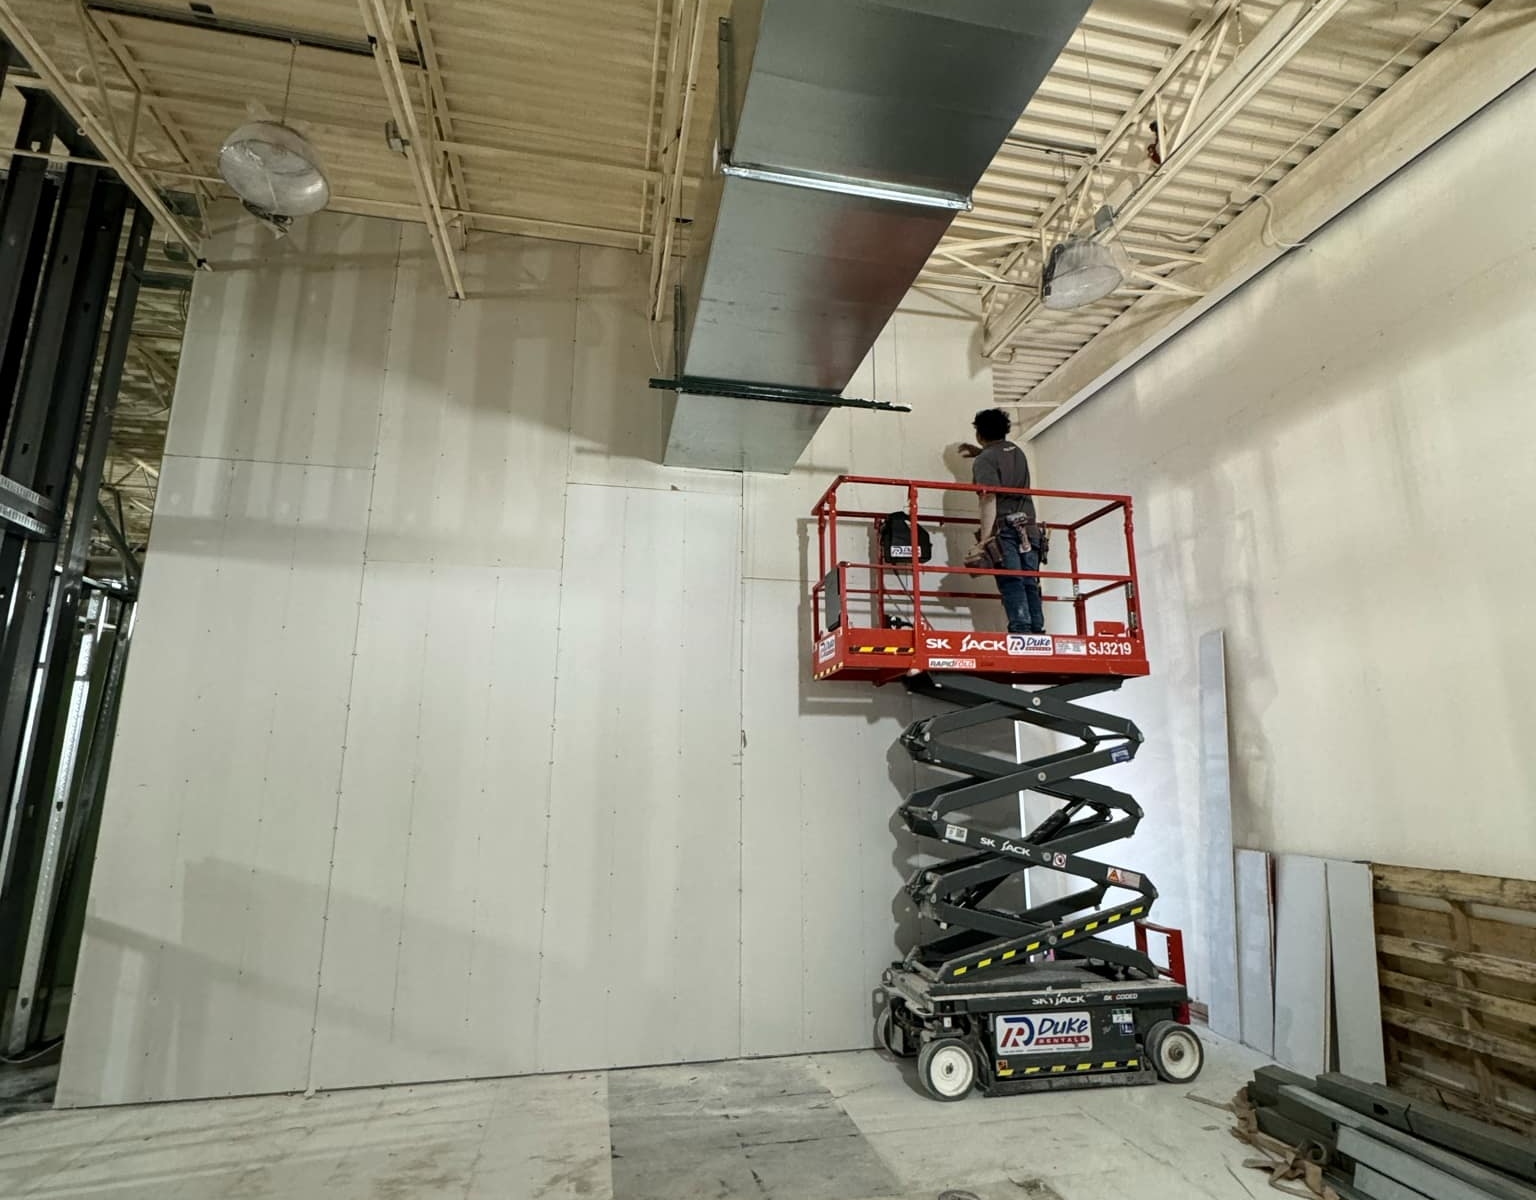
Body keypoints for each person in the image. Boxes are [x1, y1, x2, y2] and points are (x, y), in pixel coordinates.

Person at [960, 408, 1045, 635]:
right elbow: (1003, 463)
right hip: (1029, 527)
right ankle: (1036, 631)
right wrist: (981, 453)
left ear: (979, 433)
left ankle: (1020, 630)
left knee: (1012, 580)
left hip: (1006, 530)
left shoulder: (985, 460)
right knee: (1030, 580)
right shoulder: (1017, 451)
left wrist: (984, 540)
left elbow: (989, 499)